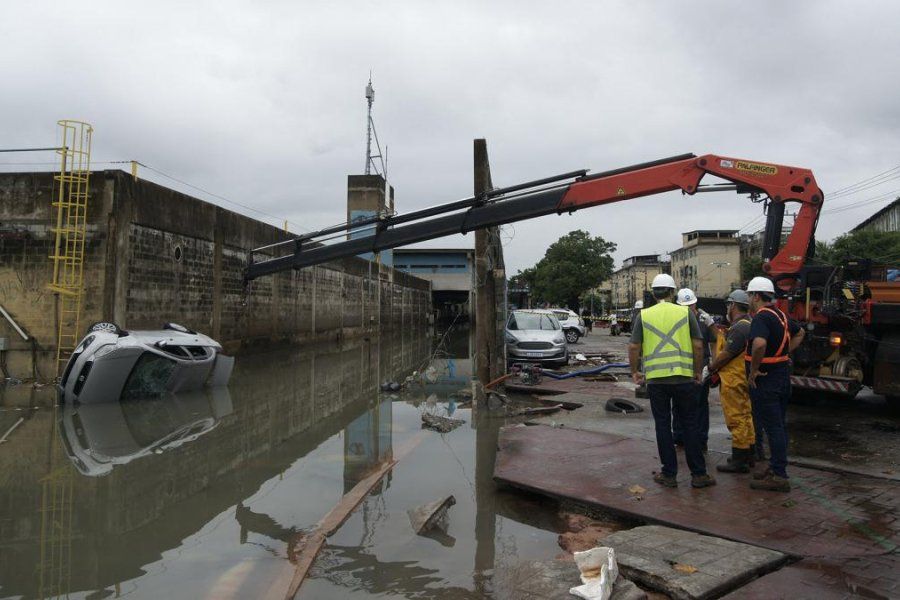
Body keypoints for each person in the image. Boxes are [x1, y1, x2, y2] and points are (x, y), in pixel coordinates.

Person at [629, 274, 715, 489]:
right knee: (690, 424)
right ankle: (699, 474)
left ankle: (669, 474)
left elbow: (633, 346)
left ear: (653, 292)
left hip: (657, 381)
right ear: (672, 292)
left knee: (663, 426)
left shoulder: (644, 315)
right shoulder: (686, 313)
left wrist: (635, 372)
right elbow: (698, 345)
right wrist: (697, 372)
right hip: (684, 379)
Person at [745, 276, 805, 492]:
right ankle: (776, 466)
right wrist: (783, 353)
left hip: (767, 379)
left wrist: (753, 371)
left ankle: (779, 475)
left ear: (757, 296)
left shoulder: (761, 317)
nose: (749, 299)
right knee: (779, 425)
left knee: (773, 427)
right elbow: (800, 333)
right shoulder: (779, 314)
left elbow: (759, 344)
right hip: (781, 376)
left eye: (750, 295)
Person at [708, 289, 755, 473]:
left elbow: (727, 354)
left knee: (736, 418)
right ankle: (748, 454)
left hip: (734, 379)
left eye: (728, 305)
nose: (727, 309)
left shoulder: (740, 327)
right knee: (745, 416)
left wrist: (711, 367)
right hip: (741, 377)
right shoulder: (748, 324)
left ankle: (739, 460)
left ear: (733, 305)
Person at [673, 288, 714, 451]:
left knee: (700, 405)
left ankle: (700, 439)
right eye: (686, 306)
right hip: (682, 367)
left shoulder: (704, 320)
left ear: (695, 303)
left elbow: (713, 341)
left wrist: (712, 365)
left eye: (691, 305)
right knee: (678, 404)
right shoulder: (677, 319)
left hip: (700, 368)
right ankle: (680, 437)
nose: (689, 309)